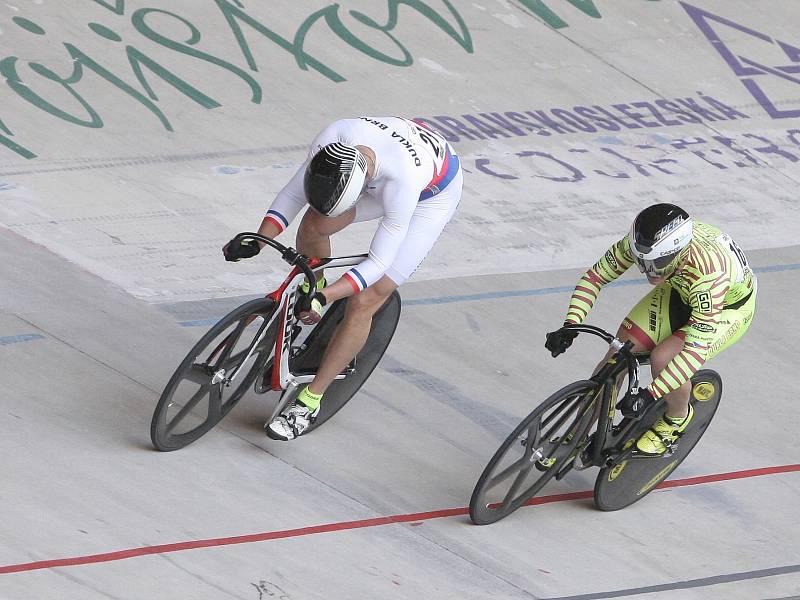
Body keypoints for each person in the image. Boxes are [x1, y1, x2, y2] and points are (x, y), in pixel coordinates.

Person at [222, 116, 462, 440]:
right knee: (313, 225)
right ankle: (314, 283)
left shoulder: (401, 186)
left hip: (431, 191)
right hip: (387, 154)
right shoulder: (332, 141)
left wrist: (329, 296)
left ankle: (310, 401)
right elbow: (293, 195)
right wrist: (258, 238)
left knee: (368, 298)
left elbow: (379, 261)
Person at [544, 203, 756, 454]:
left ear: (678, 252)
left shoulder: (709, 276)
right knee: (616, 357)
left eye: (658, 263)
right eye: (642, 262)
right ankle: (578, 433)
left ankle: (677, 418)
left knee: (663, 359)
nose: (649, 271)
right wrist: (571, 324)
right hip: (680, 288)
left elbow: (694, 353)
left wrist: (649, 395)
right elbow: (595, 277)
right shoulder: (643, 245)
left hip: (726, 309)